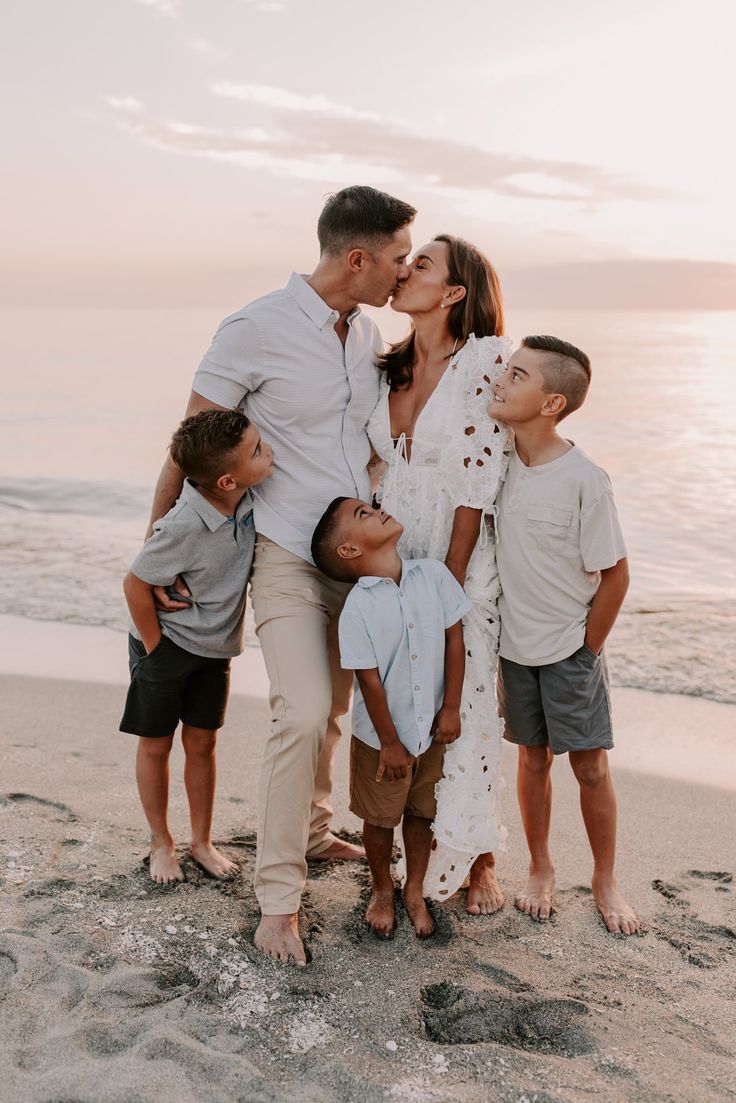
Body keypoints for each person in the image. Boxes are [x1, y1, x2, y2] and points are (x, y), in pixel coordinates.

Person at [145, 186, 416, 964]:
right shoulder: (255, 327)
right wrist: (159, 550)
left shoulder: (366, 334)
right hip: (287, 555)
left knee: (332, 705)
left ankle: (312, 827)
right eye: (397, 258)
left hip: (359, 563)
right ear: (357, 257)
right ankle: (276, 900)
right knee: (298, 712)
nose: (402, 274)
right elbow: (189, 444)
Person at [367, 234, 512, 914]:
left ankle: (479, 855)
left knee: (470, 696)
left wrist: (446, 583)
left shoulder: (482, 361)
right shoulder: (387, 367)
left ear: (454, 292)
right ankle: (401, 846)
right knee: (408, 690)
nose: (405, 270)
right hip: (394, 545)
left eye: (421, 264)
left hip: (454, 551)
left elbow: (476, 481)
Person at [489, 334, 639, 936]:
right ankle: (541, 866)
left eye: (517, 375)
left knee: (590, 767)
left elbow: (616, 574)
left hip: (570, 649)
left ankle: (605, 879)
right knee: (531, 759)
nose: (502, 379)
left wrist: (588, 649)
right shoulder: (496, 464)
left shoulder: (584, 478)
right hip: (514, 648)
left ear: (551, 403)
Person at [121, 409, 272, 884]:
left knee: (203, 742)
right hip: (167, 646)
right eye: (258, 450)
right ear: (226, 480)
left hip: (214, 650)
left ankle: (202, 842)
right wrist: (156, 648)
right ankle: (160, 841)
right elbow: (135, 583)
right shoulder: (185, 521)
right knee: (157, 744)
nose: (269, 452)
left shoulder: (247, 500)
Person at [311, 496, 471, 938]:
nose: (376, 509)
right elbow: (369, 682)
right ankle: (382, 887)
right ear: (349, 551)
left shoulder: (433, 576)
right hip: (382, 738)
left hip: (433, 729)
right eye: (362, 514)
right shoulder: (358, 608)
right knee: (380, 819)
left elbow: (455, 642)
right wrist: (390, 742)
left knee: (422, 812)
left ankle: (414, 888)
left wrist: (452, 707)